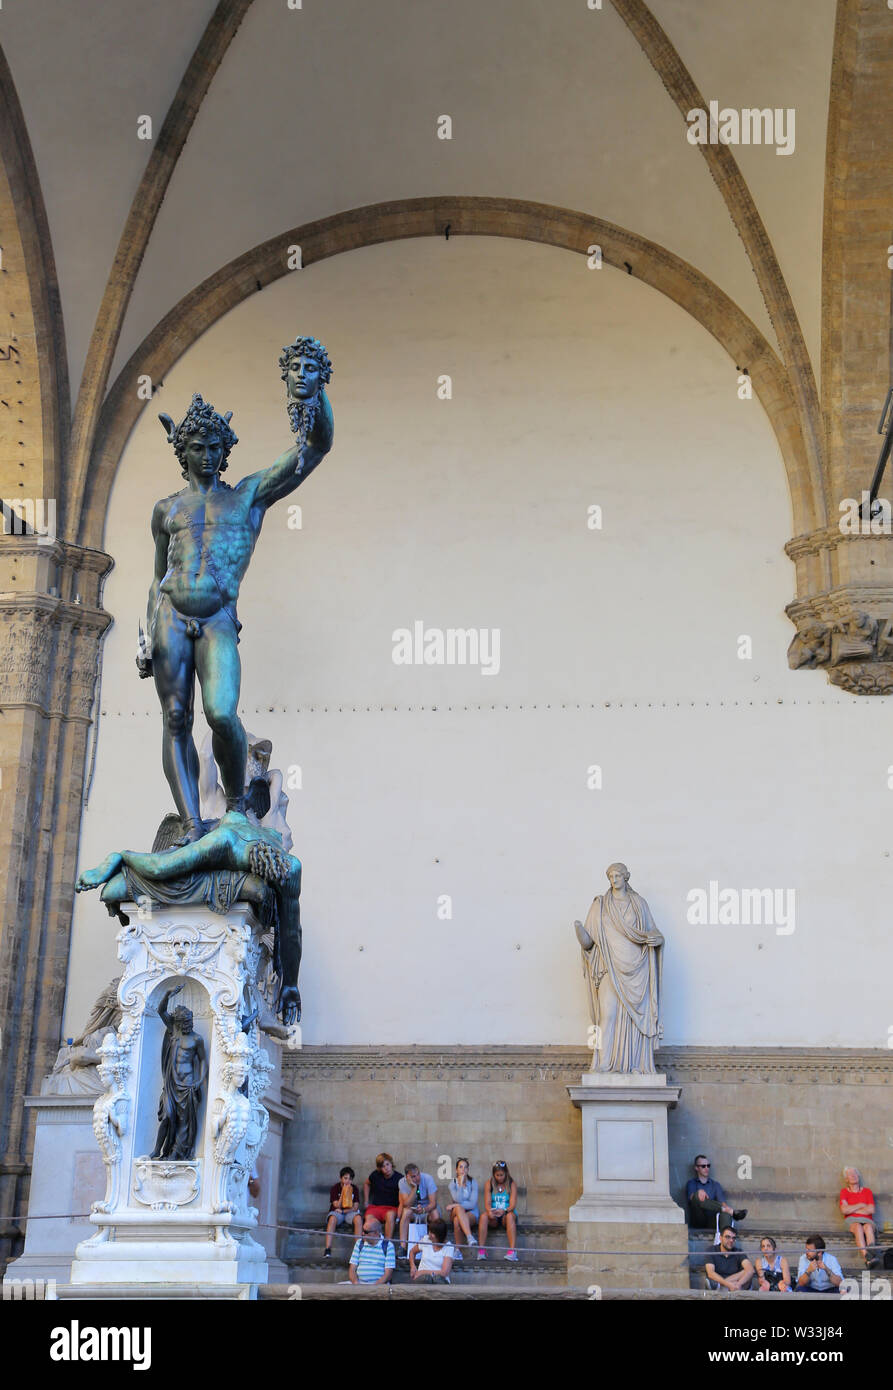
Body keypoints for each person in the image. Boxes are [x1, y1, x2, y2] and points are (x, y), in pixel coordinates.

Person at [137, 352, 333, 846]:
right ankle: (189, 823)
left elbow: (314, 448)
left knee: (221, 713)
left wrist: (311, 394)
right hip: (170, 616)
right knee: (176, 716)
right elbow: (157, 576)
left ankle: (238, 803)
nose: (206, 454)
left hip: (219, 615)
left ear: (226, 451)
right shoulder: (166, 509)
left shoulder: (246, 497)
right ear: (182, 452)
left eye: (214, 447)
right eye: (197, 447)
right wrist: (144, 635)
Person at [75, 776, 303, 1025]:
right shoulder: (225, 843)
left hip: (237, 832)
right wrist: (120, 859)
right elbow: (160, 868)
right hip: (213, 838)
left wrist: (291, 984)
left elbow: (292, 930)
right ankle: (118, 858)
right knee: (163, 872)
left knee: (256, 892)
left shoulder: (290, 868)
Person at [574, 862, 664, 1072]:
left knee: (634, 1019)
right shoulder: (600, 905)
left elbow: (653, 932)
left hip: (637, 971)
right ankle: (604, 1065)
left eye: (617, 876)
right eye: (611, 876)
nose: (614, 880)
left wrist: (657, 940)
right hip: (609, 968)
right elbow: (589, 943)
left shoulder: (639, 904)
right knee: (609, 1014)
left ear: (626, 877)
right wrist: (579, 930)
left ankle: (636, 1065)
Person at [150, 984, 207, 1161]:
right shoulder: (173, 1030)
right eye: (187, 1022)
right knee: (167, 1116)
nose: (190, 1025)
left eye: (191, 1022)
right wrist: (167, 993)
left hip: (188, 1084)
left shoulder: (197, 1039)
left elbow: (203, 1060)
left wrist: (200, 1079)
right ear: (179, 1023)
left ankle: (176, 1153)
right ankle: (157, 1149)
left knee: (184, 1121)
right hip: (171, 1084)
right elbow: (161, 1010)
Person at [685, 1155, 746, 1234]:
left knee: (726, 1214)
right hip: (698, 1219)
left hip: (712, 1220)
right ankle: (731, 1211)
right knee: (698, 1195)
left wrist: (725, 1209)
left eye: (708, 1166)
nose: (706, 1168)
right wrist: (699, 1192)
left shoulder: (715, 1185)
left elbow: (723, 1203)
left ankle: (725, 1241)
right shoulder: (691, 1183)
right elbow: (691, 1198)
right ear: (696, 1168)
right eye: (703, 1166)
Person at [478, 1161, 518, 1261]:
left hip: (507, 1213)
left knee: (509, 1217)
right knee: (483, 1216)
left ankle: (512, 1251)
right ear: (494, 1174)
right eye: (497, 1175)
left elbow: (512, 1204)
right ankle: (481, 1250)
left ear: (506, 1173)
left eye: (501, 1175)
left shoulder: (511, 1184)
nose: (499, 1177)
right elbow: (487, 1203)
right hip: (494, 1214)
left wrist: (504, 1211)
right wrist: (489, 1211)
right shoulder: (489, 1183)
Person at [838, 1166, 878, 1267]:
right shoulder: (844, 1192)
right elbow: (844, 1210)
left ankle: (871, 1254)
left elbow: (871, 1210)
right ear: (846, 1179)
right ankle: (867, 1258)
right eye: (850, 1174)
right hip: (852, 1221)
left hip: (867, 1220)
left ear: (858, 1176)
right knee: (857, 1226)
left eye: (855, 1174)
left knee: (868, 1227)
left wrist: (852, 1209)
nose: (853, 1176)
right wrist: (861, 1205)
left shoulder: (867, 1191)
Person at [397, 1163, 440, 1252]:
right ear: (407, 1177)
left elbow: (433, 1203)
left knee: (435, 1213)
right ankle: (402, 1246)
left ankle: (437, 1245)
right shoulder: (402, 1182)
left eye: (418, 1174)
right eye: (413, 1176)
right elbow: (406, 1204)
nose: (417, 1178)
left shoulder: (428, 1179)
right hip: (413, 1209)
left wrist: (424, 1210)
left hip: (427, 1209)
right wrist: (414, 1188)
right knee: (406, 1212)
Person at [348, 1216, 395, 1286]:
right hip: (359, 1284)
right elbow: (352, 1269)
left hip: (379, 1285)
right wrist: (356, 1283)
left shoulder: (388, 1245)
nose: (363, 1234)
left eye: (366, 1232)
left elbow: (388, 1274)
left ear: (376, 1233)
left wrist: (374, 1288)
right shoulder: (359, 1243)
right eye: (363, 1230)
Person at [325, 1166, 361, 1257]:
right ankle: (328, 1249)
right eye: (345, 1178)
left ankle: (358, 1250)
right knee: (332, 1219)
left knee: (358, 1219)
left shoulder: (354, 1188)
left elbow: (355, 1207)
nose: (348, 1181)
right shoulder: (335, 1188)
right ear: (341, 1178)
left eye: (350, 1179)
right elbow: (336, 1205)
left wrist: (344, 1212)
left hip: (348, 1212)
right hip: (337, 1212)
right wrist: (343, 1192)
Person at [705, 1226, 754, 1292]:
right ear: (720, 1238)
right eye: (727, 1237)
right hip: (719, 1282)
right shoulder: (711, 1250)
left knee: (747, 1272)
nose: (731, 1240)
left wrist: (738, 1285)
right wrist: (728, 1284)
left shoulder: (738, 1252)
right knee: (711, 1281)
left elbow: (750, 1270)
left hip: (732, 1284)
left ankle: (723, 1288)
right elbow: (710, 1273)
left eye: (733, 1238)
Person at [363, 1153, 401, 1238]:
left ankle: (387, 1244)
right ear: (380, 1168)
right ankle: (371, 1246)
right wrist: (366, 1201)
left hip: (392, 1208)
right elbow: (366, 1183)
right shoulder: (375, 1175)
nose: (386, 1168)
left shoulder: (399, 1178)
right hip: (376, 1207)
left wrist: (399, 1212)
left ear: (391, 1164)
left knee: (390, 1215)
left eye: (387, 1164)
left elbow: (403, 1197)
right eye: (383, 1166)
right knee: (368, 1220)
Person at [446, 1157, 479, 1254]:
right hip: (455, 1212)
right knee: (458, 1208)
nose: (463, 1170)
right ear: (456, 1169)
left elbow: (472, 1204)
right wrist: (460, 1184)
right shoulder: (452, 1184)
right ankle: (469, 1236)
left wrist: (455, 1205)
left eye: (465, 1167)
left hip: (471, 1213)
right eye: (460, 1167)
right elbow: (458, 1199)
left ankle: (457, 1250)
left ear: (468, 1170)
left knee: (457, 1220)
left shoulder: (473, 1182)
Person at [409, 1217, 455, 1283]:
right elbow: (412, 1252)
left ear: (438, 1235)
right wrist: (412, 1266)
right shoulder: (426, 1239)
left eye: (431, 1232)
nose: (429, 1234)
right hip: (422, 1279)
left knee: (437, 1279)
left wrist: (423, 1272)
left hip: (439, 1280)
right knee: (426, 1279)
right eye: (429, 1231)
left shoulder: (449, 1247)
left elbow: (444, 1272)